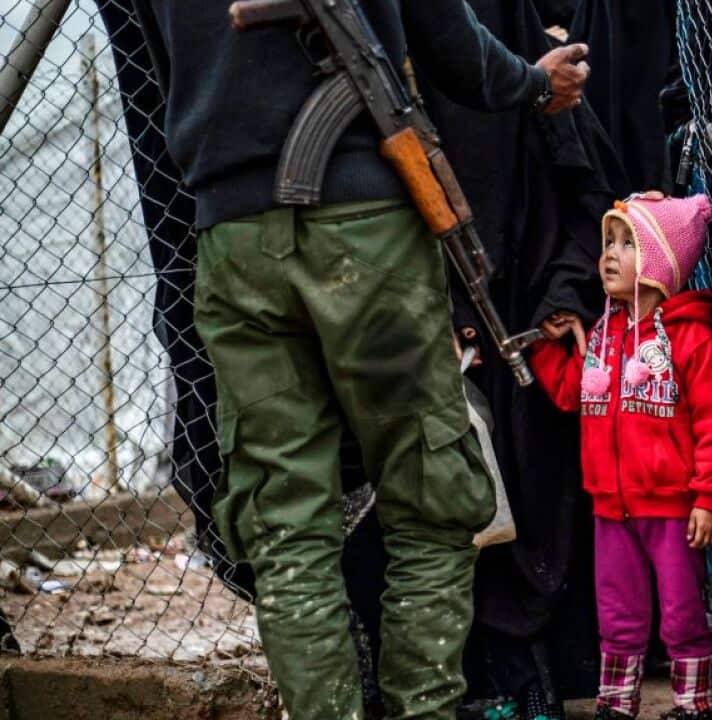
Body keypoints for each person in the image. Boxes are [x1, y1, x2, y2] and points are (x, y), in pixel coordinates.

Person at [130, 2, 590, 718]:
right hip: (365, 226)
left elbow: (160, 65)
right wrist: (532, 82)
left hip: (233, 237)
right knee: (433, 500)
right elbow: (450, 42)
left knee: (285, 522)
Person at [529, 192, 712, 720]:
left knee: (682, 611)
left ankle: (694, 704)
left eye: (628, 244)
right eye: (608, 243)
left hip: (671, 509)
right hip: (610, 508)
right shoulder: (601, 333)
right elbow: (574, 393)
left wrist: (708, 498)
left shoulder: (691, 340)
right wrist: (555, 346)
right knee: (617, 612)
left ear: (662, 261)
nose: (609, 256)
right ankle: (616, 705)